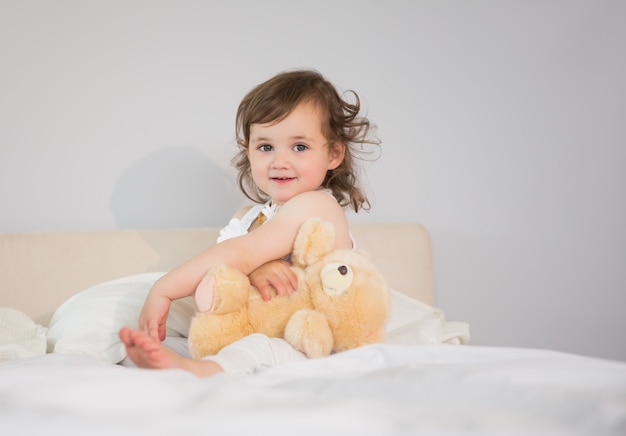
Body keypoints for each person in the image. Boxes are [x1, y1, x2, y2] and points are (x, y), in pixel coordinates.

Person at [119, 69, 380, 377]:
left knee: (258, 347)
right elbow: (221, 275)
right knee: (166, 345)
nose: (279, 160)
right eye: (266, 147)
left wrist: (163, 290)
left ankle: (200, 372)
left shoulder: (316, 205)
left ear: (333, 153)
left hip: (313, 344)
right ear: (249, 151)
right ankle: (168, 361)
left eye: (299, 147)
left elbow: (242, 254)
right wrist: (254, 270)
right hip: (260, 332)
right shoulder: (247, 218)